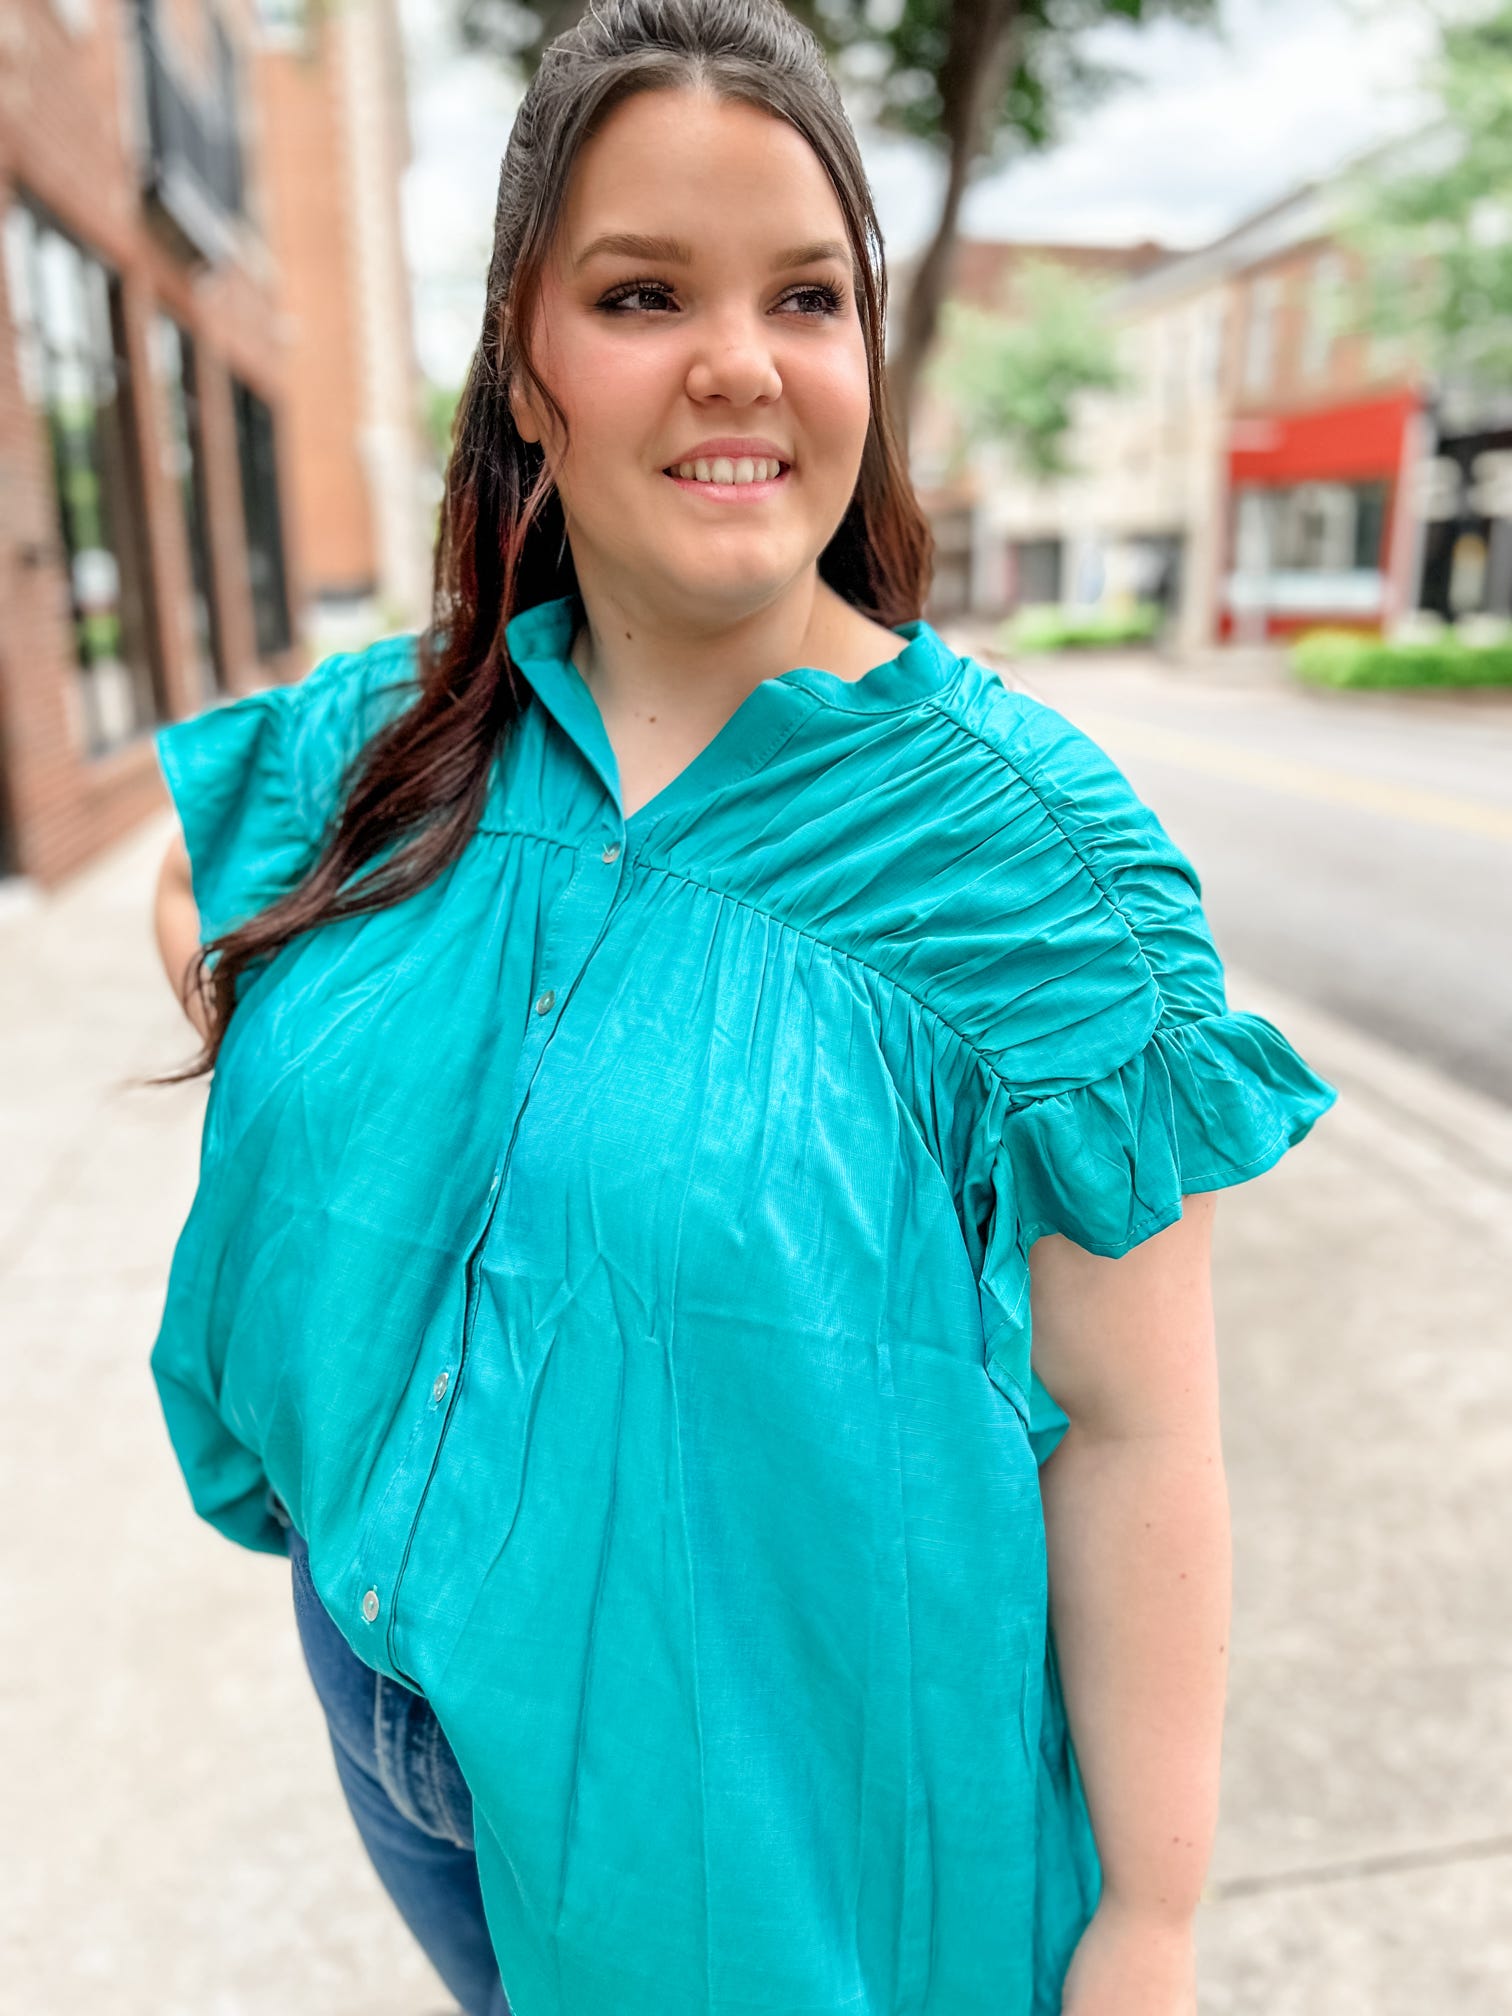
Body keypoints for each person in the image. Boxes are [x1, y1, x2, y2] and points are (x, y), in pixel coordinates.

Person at [146, 4, 1337, 2013]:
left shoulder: (1028, 866)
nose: (740, 361)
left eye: (806, 294)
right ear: (528, 360)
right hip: (398, 1717)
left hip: (765, 1819)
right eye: (641, 293)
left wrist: (1150, 1917)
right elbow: (208, 910)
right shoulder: (395, 747)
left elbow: (1134, 1430)